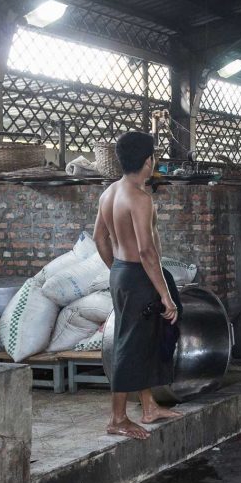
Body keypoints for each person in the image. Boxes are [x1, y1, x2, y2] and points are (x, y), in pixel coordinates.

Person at [91, 130, 179, 443]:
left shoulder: (110, 192)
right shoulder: (140, 199)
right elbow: (146, 252)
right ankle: (117, 418)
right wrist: (167, 297)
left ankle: (149, 405)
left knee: (140, 338)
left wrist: (116, 268)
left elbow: (99, 238)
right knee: (129, 342)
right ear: (148, 160)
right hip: (139, 274)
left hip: (122, 272)